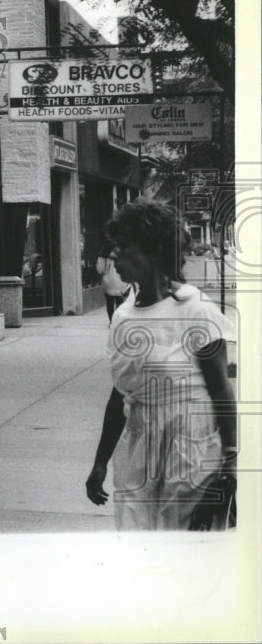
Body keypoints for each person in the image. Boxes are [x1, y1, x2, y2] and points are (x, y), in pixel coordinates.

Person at [85, 199, 237, 530]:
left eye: (124, 248)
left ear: (154, 251)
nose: (114, 256)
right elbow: (121, 392)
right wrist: (100, 462)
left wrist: (229, 469)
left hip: (190, 449)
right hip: (140, 449)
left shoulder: (196, 310)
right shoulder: (123, 316)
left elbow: (222, 393)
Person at [95, 240, 130, 324]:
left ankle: (111, 321)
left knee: (109, 302)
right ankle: (118, 320)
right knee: (120, 301)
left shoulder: (104, 251)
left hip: (108, 281)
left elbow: (100, 269)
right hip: (121, 280)